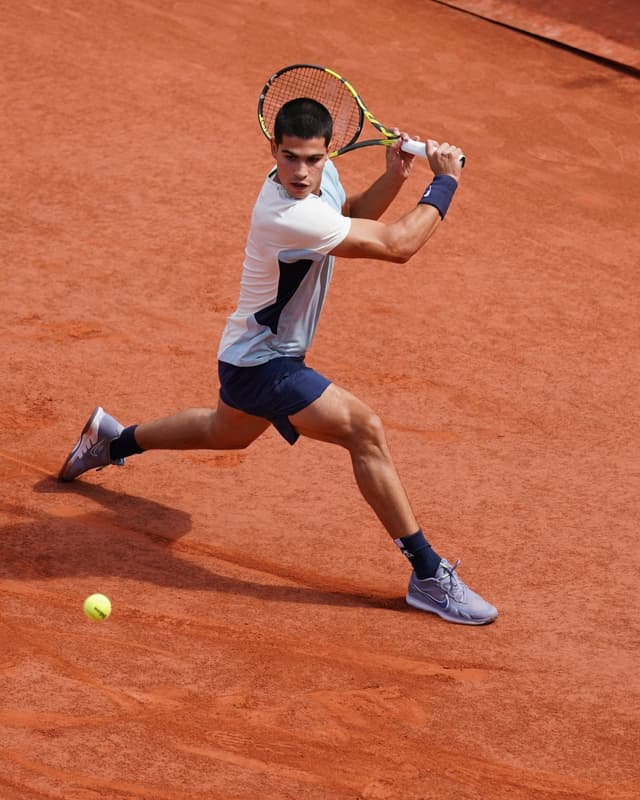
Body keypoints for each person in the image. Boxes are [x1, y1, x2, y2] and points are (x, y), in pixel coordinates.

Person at [59, 98, 497, 625]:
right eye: (289, 158)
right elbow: (398, 245)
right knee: (365, 430)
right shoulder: (283, 211)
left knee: (227, 432)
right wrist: (443, 182)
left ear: (328, 152)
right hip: (263, 363)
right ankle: (428, 574)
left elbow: (351, 216)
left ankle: (111, 440)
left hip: (250, 356)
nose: (301, 171)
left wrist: (395, 178)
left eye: (312, 159)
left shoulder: (320, 183)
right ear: (273, 149)